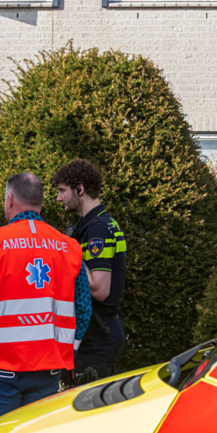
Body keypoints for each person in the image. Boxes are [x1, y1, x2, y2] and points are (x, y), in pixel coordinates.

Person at [0, 172, 92, 428]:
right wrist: (67, 352)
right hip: (48, 371)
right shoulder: (69, 248)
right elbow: (83, 309)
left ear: (9, 199)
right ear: (40, 202)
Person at [53, 159, 127, 383]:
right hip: (98, 333)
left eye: (62, 191)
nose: (58, 198)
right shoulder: (94, 224)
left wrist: (70, 250)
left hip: (97, 337)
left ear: (80, 189)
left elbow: (99, 289)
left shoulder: (97, 230)